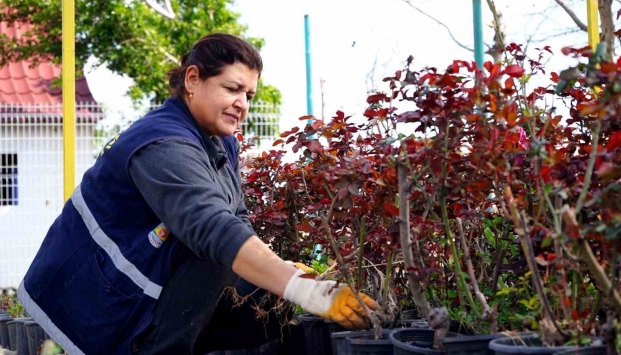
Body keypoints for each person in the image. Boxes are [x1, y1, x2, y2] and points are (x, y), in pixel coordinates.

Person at [18, 32, 379, 355]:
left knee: (269, 298)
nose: (243, 103)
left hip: (141, 283)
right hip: (92, 296)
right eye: (232, 89)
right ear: (193, 79)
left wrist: (281, 274)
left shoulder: (220, 143)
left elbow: (236, 218)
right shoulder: (162, 144)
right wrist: (310, 292)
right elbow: (214, 229)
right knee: (219, 255)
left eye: (249, 95)